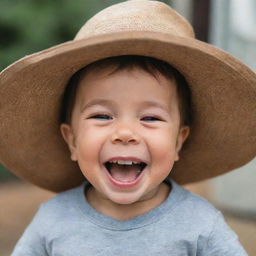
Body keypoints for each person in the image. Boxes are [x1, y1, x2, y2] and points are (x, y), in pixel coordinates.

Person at [0, 1, 255, 255]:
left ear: (179, 141)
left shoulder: (200, 223)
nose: (125, 133)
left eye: (151, 118)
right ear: (72, 140)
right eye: (102, 116)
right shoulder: (52, 219)